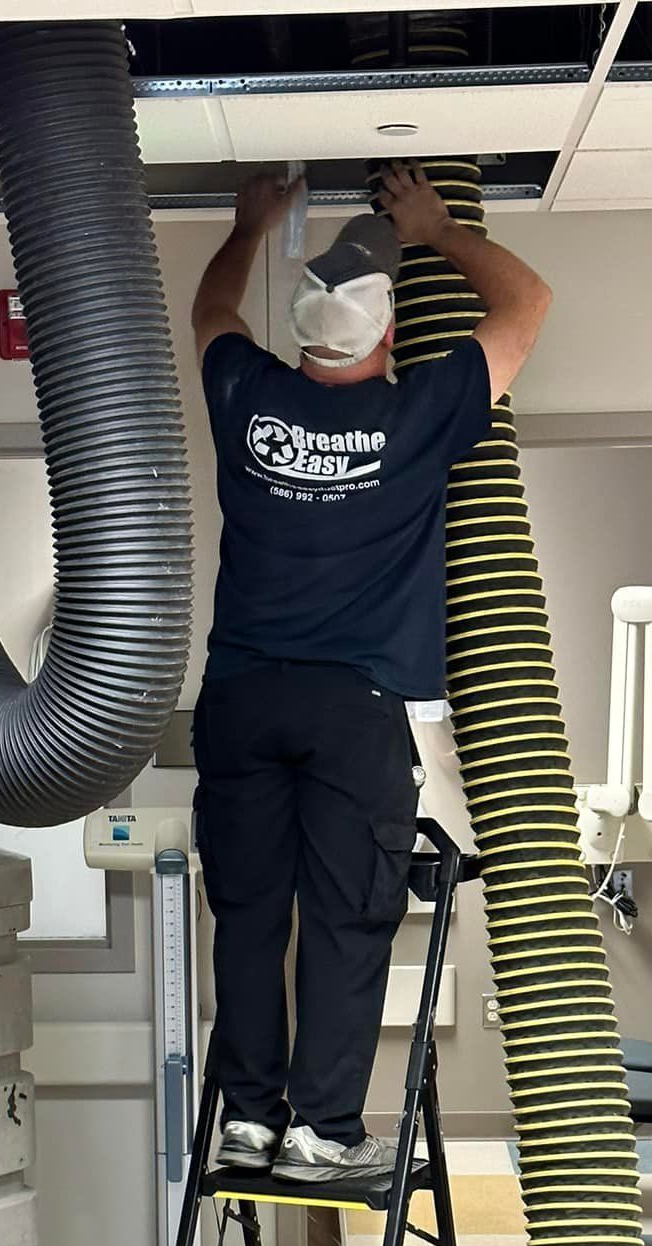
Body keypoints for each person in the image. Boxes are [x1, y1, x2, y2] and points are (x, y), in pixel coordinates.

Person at [192, 163, 552, 1182]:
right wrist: (437, 229)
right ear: (392, 338)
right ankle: (324, 1131)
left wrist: (250, 224)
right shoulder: (417, 417)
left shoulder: (248, 393)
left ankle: (251, 1118)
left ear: (303, 339)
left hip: (241, 699)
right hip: (359, 709)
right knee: (348, 915)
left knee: (253, 914)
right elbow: (529, 304)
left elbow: (212, 307)